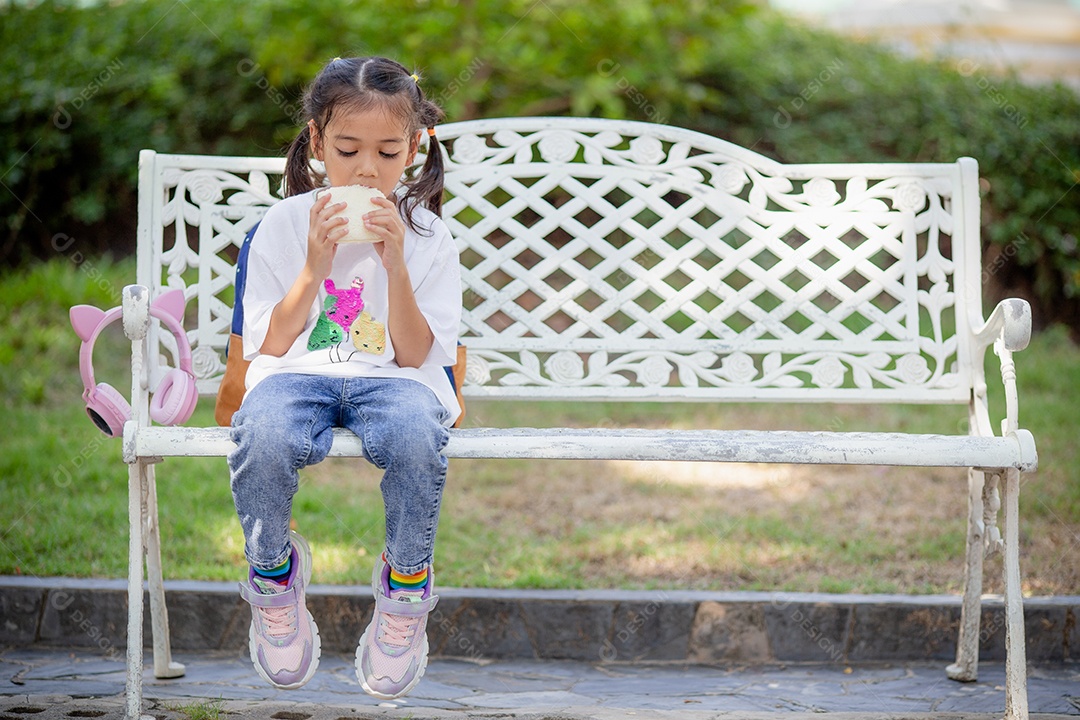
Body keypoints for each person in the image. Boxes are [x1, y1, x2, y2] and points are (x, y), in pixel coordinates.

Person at [228, 56, 460, 699]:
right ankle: (273, 576)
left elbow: (416, 358)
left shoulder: (427, 236)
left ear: (414, 149)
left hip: (393, 381)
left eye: (388, 153)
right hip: (296, 374)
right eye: (348, 149)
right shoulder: (281, 225)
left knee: (419, 436)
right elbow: (269, 344)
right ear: (316, 141)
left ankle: (405, 590)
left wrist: (395, 267)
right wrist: (314, 263)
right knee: (265, 433)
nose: (366, 170)